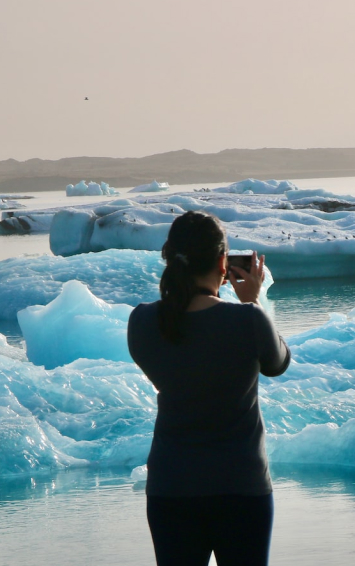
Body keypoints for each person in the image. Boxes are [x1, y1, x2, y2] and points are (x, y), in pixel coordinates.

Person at [127, 211, 290, 566]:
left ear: (170, 259)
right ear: (222, 261)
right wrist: (253, 302)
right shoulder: (247, 320)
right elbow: (278, 363)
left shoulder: (141, 322)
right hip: (241, 487)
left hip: (171, 488)